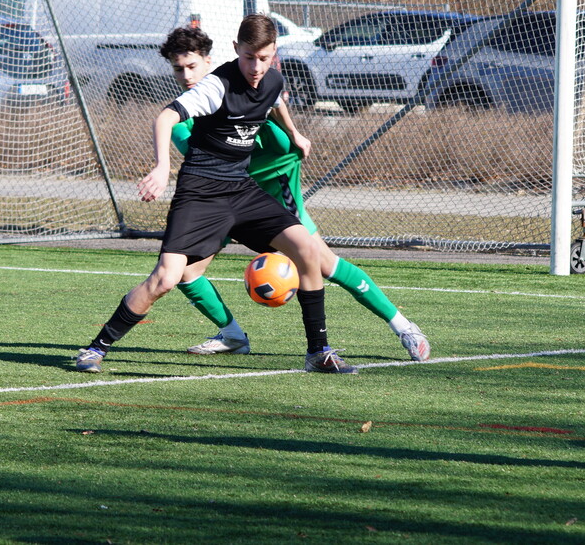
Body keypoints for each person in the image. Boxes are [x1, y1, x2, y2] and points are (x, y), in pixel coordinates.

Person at [74, 14, 358, 375]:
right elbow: (166, 118)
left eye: (264, 58)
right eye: (249, 58)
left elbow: (275, 101)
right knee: (166, 278)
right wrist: (161, 167)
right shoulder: (216, 86)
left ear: (274, 53)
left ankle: (318, 353)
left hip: (241, 188)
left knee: (307, 249)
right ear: (236, 49)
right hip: (201, 191)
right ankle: (96, 348)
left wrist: (294, 133)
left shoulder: (273, 79)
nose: (256, 67)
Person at [159, 25, 430, 362]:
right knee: (184, 272)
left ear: (209, 62)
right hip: (224, 196)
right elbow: (207, 157)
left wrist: (294, 133)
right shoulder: (182, 117)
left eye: (192, 66)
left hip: (274, 185)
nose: (186, 75)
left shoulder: (240, 86)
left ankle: (404, 327)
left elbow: (275, 120)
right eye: (178, 69)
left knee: (323, 263)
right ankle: (232, 335)